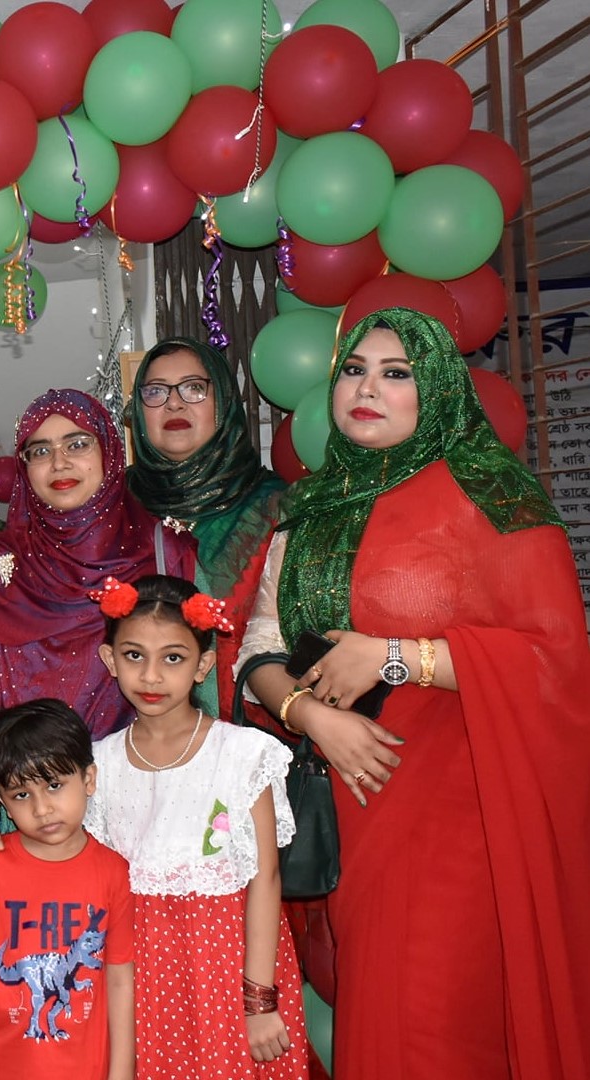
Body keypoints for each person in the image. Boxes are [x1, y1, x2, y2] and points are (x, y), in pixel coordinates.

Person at [240, 307, 590, 1078]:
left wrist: (395, 658)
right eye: (354, 370)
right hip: (354, 808)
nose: (367, 388)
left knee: (434, 1017)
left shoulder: (494, 494)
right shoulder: (308, 509)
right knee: (382, 1011)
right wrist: (308, 716)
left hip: (467, 810)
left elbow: (556, 655)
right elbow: (260, 648)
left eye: (396, 373)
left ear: (436, 389)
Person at [0, 388, 194, 898]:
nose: (59, 462)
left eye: (77, 444)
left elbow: (200, 695)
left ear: (109, 451)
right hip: (31, 819)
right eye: (39, 450)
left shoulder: (165, 551)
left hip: (151, 809)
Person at [87, 574, 307, 1079]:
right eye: (134, 655)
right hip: (141, 976)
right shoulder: (99, 767)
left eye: (173, 658)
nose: (151, 676)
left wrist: (259, 1000)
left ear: (203, 665)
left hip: (229, 970)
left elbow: (266, 879)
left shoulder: (242, 755)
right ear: (110, 660)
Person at [0, 698, 135, 1080]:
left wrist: (122, 1072)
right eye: (22, 795)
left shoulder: (113, 873)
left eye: (54, 786)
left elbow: (120, 977)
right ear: (3, 802)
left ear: (88, 780)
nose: (42, 809)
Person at [126, 338, 287, 719]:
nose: (174, 403)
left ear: (224, 402)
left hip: (248, 735)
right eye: (155, 391)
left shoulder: (275, 507)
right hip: (131, 733)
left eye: (194, 388)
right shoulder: (113, 507)